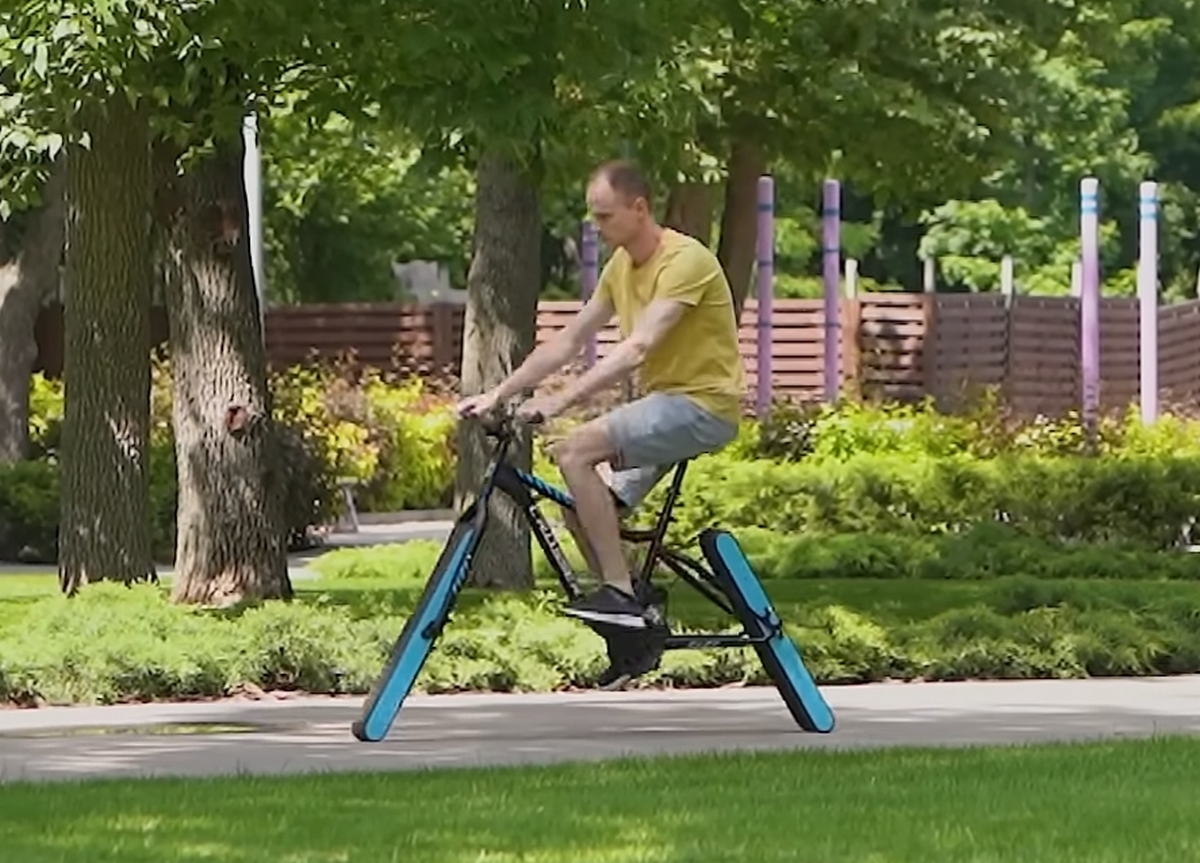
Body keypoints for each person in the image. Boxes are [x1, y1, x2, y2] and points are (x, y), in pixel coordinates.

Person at [456, 159, 747, 630]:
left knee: (575, 452)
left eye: (605, 216)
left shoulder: (684, 261)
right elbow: (569, 340)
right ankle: (638, 624)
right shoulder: (620, 268)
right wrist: (499, 394)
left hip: (701, 406)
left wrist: (560, 401)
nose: (597, 227)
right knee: (582, 510)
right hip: (662, 406)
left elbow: (637, 348)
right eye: (593, 216)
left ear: (640, 208)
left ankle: (619, 591)